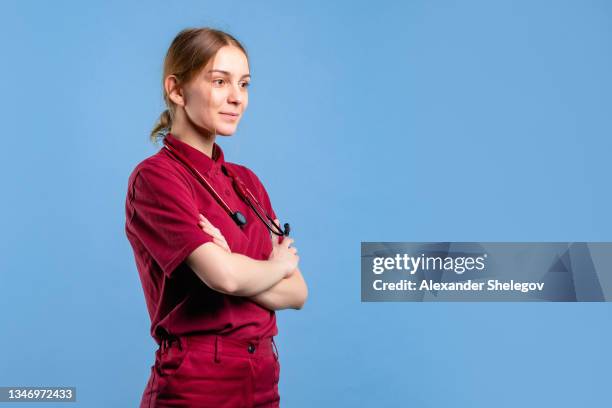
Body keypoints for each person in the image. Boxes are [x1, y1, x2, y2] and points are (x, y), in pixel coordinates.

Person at [124, 27, 308, 407]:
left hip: (263, 375)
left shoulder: (247, 182)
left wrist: (235, 267)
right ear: (176, 90)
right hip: (198, 380)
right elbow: (222, 276)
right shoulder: (156, 178)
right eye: (220, 81)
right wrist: (269, 265)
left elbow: (297, 293)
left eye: (244, 84)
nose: (236, 98)